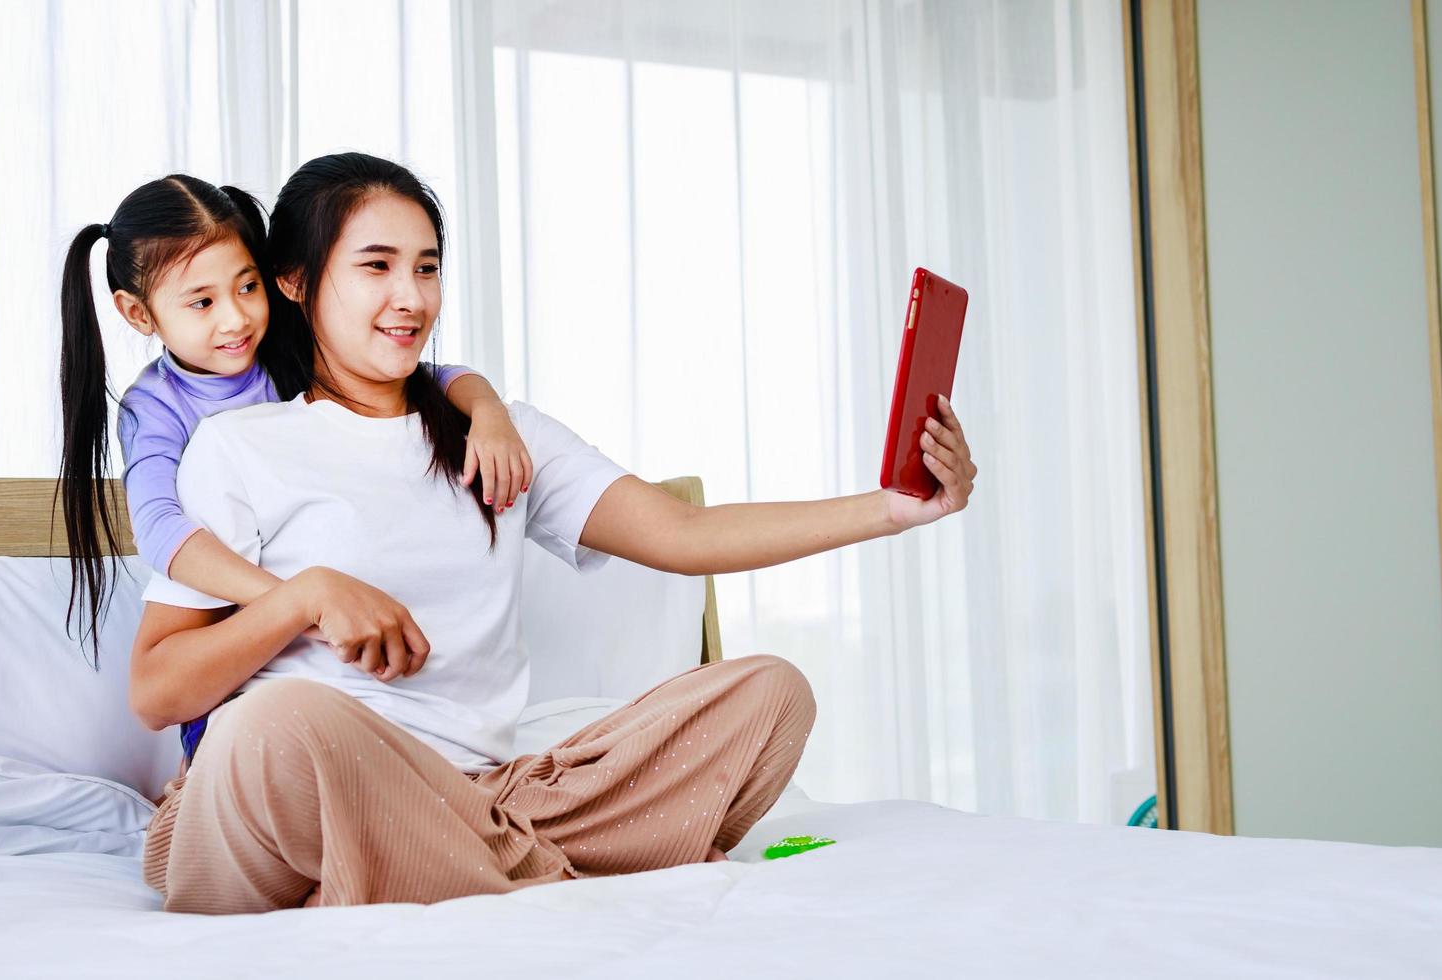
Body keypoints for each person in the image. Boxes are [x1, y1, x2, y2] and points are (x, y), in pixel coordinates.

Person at [130, 152, 978, 913]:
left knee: (768, 692)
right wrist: (303, 599)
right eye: (377, 267)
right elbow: (160, 689)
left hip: (493, 795)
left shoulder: (499, 435)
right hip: (309, 789)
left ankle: (438, 868)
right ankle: (545, 872)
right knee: (273, 727)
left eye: (427, 268)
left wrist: (891, 510)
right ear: (294, 281)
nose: (411, 298)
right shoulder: (237, 447)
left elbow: (684, 532)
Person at [55, 175, 532, 685]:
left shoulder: (284, 354)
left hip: (330, 663)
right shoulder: (153, 408)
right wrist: (299, 602)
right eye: (202, 302)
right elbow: (159, 530)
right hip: (232, 660)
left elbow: (431, 378)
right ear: (136, 312)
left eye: (247, 286)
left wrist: (488, 412)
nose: (236, 318)